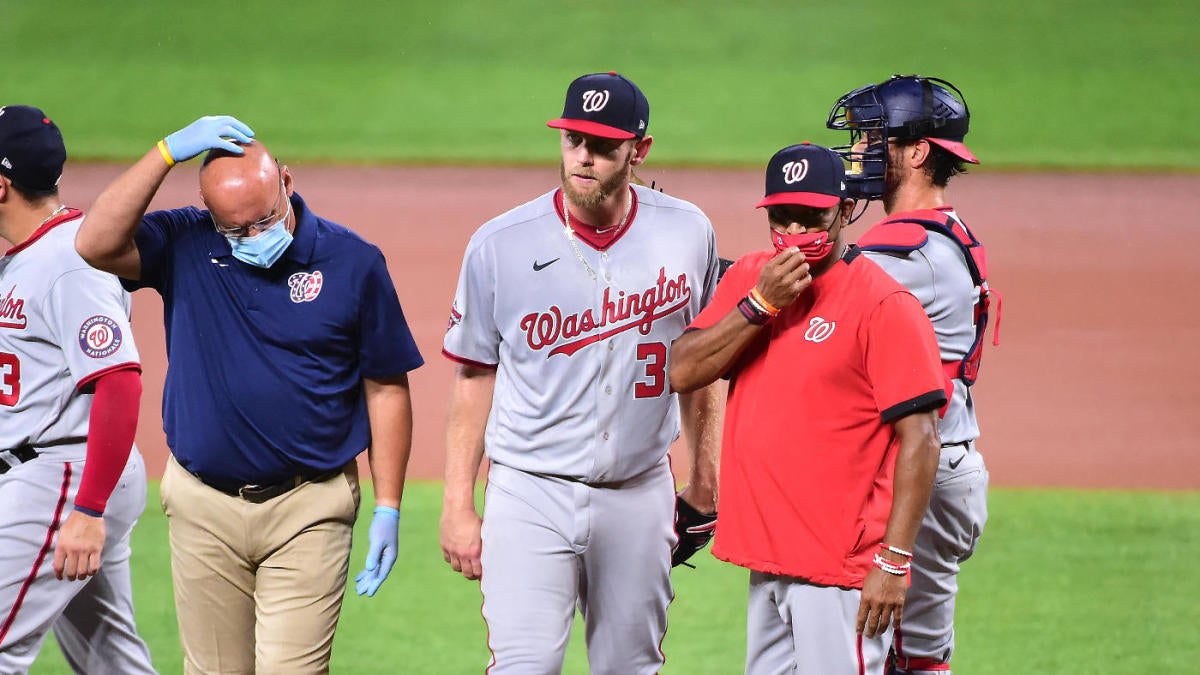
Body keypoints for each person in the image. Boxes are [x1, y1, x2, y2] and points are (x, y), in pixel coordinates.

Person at [74, 116, 423, 673]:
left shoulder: (353, 261)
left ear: (287, 180)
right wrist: (165, 152)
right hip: (202, 507)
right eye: (237, 231)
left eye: (264, 220)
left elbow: (385, 386)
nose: (257, 239)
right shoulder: (185, 243)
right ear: (211, 217)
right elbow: (93, 242)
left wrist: (388, 506)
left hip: (309, 507)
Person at [439, 71, 723, 674]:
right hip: (528, 491)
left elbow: (701, 365)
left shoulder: (688, 231)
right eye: (573, 140)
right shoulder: (499, 245)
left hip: (639, 492)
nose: (583, 157)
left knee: (630, 668)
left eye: (602, 145)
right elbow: (472, 378)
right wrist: (457, 503)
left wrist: (704, 479)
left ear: (639, 151)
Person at [669, 142, 946, 674]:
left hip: (840, 571)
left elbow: (922, 439)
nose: (795, 234)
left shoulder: (884, 305)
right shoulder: (753, 277)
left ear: (844, 211)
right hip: (768, 559)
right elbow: (684, 370)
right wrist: (760, 304)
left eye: (811, 217)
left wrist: (893, 561)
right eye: (782, 217)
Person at [827, 74, 994, 675]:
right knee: (917, 656)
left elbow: (812, 307)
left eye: (873, 137)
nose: (858, 150)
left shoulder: (904, 254)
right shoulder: (944, 230)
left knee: (887, 655)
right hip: (949, 461)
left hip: (922, 475)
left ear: (917, 151)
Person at [0, 105, 154, 673]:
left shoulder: (69, 261)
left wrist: (87, 509)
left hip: (65, 476)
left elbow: (118, 382)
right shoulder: (30, 256)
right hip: (53, 470)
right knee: (109, 657)